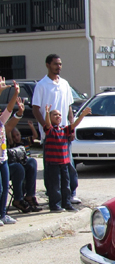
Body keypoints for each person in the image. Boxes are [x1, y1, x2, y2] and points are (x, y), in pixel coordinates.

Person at [32, 54, 80, 204]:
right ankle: (53, 195)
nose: (58, 67)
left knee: (69, 165)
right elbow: (35, 108)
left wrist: (71, 127)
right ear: (48, 65)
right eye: (55, 64)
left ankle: (71, 193)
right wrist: (46, 127)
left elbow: (69, 108)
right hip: (50, 135)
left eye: (60, 64)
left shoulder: (65, 84)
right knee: (51, 168)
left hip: (64, 133)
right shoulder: (41, 85)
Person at [43, 103, 91, 213]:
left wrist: (82, 114)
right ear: (50, 118)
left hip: (64, 163)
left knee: (66, 185)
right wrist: (46, 112)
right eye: (54, 114)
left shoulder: (64, 129)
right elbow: (47, 124)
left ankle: (66, 203)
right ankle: (55, 205)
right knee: (55, 186)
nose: (58, 116)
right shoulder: (50, 130)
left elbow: (74, 125)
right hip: (52, 163)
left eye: (59, 115)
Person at [5, 98, 41, 213]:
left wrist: (20, 112)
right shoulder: (7, 137)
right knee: (18, 167)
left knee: (32, 162)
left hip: (14, 163)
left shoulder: (19, 140)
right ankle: (18, 199)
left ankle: (30, 195)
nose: (16, 138)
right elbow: (8, 129)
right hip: (7, 167)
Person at [0, 78, 20, 225]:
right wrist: (1, 91)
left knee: (5, 188)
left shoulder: (1, 122)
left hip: (3, 159)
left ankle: (2, 214)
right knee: (0, 188)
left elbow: (9, 109)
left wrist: (15, 93)